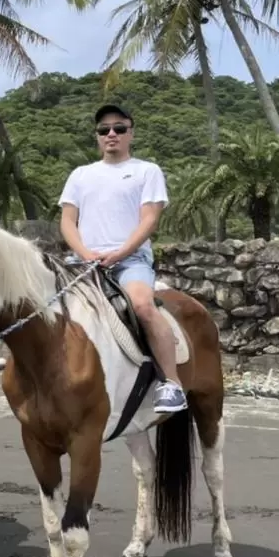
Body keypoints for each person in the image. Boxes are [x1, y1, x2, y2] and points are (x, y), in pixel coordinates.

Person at [58, 103, 187, 413]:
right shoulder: (81, 175)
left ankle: (172, 383)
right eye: (104, 130)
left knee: (142, 306)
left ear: (131, 133)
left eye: (119, 128)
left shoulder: (146, 171)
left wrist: (120, 252)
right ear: (97, 137)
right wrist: (86, 254)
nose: (111, 134)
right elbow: (66, 221)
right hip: (83, 264)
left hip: (131, 261)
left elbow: (149, 219)